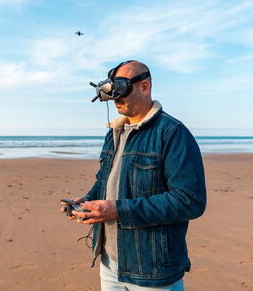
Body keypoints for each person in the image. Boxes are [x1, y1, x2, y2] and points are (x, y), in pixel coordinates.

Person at [62, 61, 206, 290]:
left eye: (122, 89)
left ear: (145, 86)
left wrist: (118, 210)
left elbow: (190, 200)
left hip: (153, 271)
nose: (116, 97)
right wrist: (88, 202)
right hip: (109, 264)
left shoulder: (172, 133)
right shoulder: (113, 134)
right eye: (112, 90)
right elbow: (104, 182)